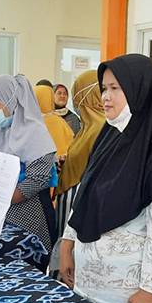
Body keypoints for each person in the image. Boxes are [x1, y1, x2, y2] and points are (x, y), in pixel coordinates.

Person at [59, 54, 152, 303]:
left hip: (129, 299)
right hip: (88, 285)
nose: (105, 97)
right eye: (103, 88)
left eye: (115, 88)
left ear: (138, 90)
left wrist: (148, 291)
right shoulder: (109, 136)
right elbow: (85, 193)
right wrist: (68, 243)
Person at [0, 74, 58, 254]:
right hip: (2, 213)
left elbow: (38, 178)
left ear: (11, 101)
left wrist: (2, 198)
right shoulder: (2, 131)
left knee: (28, 260)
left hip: (30, 216)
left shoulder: (35, 133)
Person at [55, 70, 105, 237]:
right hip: (71, 199)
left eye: (76, 93)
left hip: (79, 203)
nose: (74, 100)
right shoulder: (88, 126)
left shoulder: (101, 128)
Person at [34, 85, 75, 158]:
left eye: (65, 94)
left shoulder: (34, 122)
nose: (62, 96)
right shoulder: (59, 121)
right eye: (59, 93)